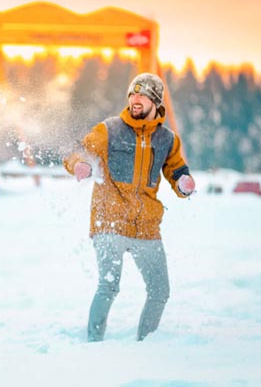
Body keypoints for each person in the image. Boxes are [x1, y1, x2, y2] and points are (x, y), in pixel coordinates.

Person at [64, 72, 195, 342]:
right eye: (133, 94)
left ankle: (147, 345)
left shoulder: (168, 140)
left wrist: (184, 183)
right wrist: (80, 164)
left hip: (146, 227)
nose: (135, 99)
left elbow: (177, 171)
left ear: (155, 102)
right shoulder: (109, 129)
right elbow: (80, 150)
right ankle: (93, 343)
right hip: (109, 221)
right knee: (109, 286)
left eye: (143, 95)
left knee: (160, 291)